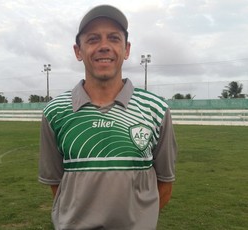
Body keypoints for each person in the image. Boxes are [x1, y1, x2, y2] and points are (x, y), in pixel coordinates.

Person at [39, 4, 177, 230]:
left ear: (126, 49)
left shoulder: (156, 109)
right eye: (93, 39)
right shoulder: (55, 111)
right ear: (78, 51)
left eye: (113, 38)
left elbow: (165, 185)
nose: (104, 46)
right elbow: (57, 185)